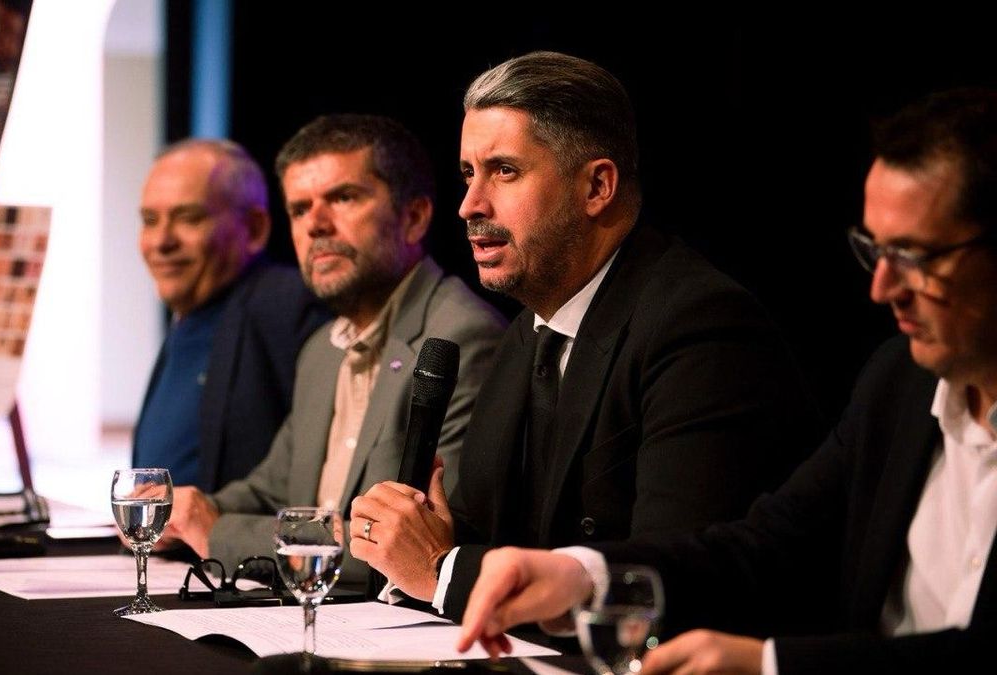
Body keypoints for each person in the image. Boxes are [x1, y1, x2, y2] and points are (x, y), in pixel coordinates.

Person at [456, 87, 996, 673]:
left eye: (916, 257)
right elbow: (763, 545)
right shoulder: (899, 382)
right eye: (877, 252)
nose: (882, 289)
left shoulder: (694, 316)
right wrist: (582, 574)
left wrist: (767, 664)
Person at [349, 51, 820, 615]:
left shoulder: (700, 325)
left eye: (505, 171)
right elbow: (480, 528)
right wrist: (416, 539)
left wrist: (440, 570)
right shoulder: (527, 332)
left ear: (597, 186)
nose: (469, 206)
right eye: (468, 174)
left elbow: (669, 578)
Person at [155, 114, 507, 583]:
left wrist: (217, 533)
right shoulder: (322, 348)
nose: (315, 225)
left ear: (414, 218)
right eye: (299, 209)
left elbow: (404, 546)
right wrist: (185, 511)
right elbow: (271, 488)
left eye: (343, 198)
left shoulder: (461, 339)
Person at [133, 139, 329, 491]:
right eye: (150, 220)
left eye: (188, 218)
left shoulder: (285, 308)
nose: (161, 241)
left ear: (254, 229)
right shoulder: (187, 315)